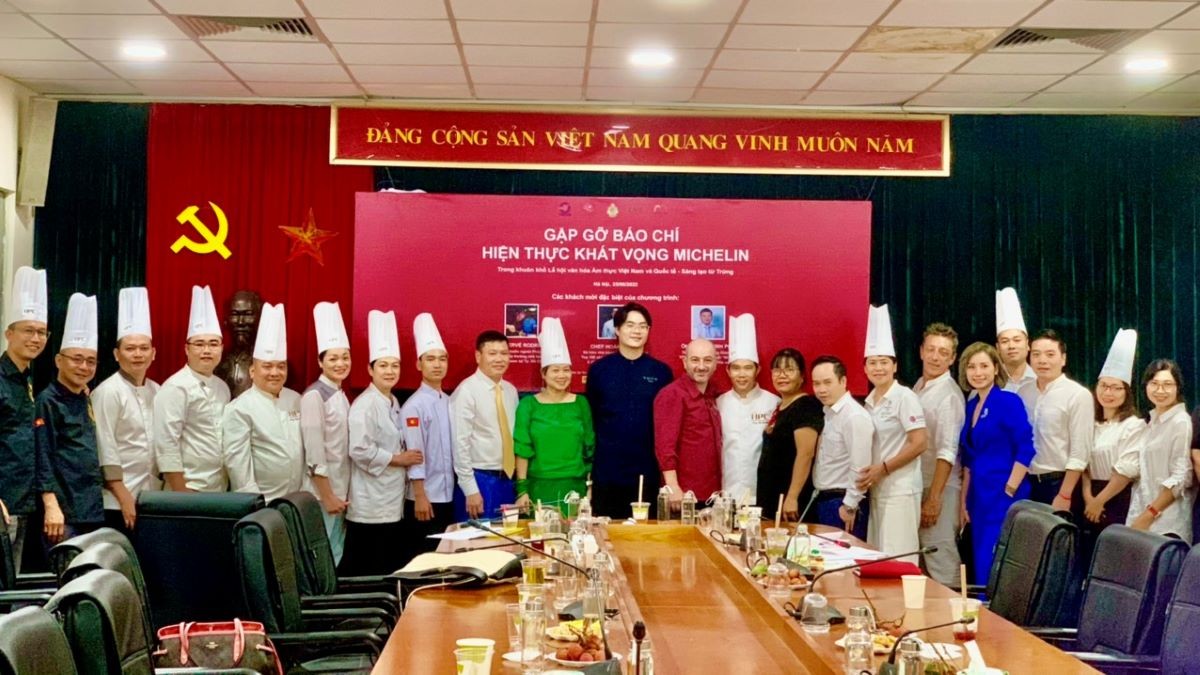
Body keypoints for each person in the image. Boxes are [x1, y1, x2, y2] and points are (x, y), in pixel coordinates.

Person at [342, 310, 422, 575]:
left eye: (395, 365)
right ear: (370, 369)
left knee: (389, 564)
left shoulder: (393, 400)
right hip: (369, 505)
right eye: (383, 365)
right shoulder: (364, 404)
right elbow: (359, 449)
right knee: (371, 567)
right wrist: (398, 459)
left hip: (391, 499)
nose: (390, 371)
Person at [958, 342, 1034, 586]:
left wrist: (1009, 488)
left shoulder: (1008, 401)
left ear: (995, 369)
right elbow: (968, 459)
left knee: (997, 559)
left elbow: (1026, 447)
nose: (977, 372)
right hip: (978, 497)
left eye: (984, 366)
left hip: (1003, 494)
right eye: (972, 367)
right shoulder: (970, 407)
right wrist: (963, 502)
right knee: (980, 559)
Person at [587, 303, 673, 519]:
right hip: (608, 471)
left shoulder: (661, 372)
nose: (637, 331)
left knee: (646, 539)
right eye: (630, 325)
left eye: (643, 326)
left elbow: (666, 425)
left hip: (648, 471)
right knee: (607, 535)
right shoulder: (599, 370)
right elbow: (593, 418)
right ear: (617, 329)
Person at [860, 305, 928, 561]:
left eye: (884, 363)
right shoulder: (868, 401)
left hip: (901, 489)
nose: (878, 368)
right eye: (872, 363)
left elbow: (919, 442)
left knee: (900, 560)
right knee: (877, 559)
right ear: (865, 368)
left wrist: (884, 468)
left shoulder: (904, 397)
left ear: (895, 366)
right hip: (878, 489)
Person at [35, 293, 103, 546]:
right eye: (77, 359)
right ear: (58, 361)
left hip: (90, 510)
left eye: (91, 361)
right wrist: (51, 505)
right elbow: (43, 456)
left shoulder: (85, 397)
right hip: (63, 515)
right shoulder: (47, 401)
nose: (84, 367)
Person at [92, 287, 159, 533]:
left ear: (153, 353)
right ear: (116, 354)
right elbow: (104, 445)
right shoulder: (108, 391)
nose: (138, 354)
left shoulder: (158, 391)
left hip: (149, 498)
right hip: (117, 503)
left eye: (144, 348)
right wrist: (124, 496)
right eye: (130, 348)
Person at [223, 303, 304, 502]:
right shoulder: (239, 408)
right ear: (252, 371)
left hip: (296, 501)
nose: (275, 373)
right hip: (263, 504)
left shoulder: (296, 399)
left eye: (281, 366)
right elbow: (238, 465)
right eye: (267, 366)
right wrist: (254, 504)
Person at [155, 286, 232, 492]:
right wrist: (181, 492)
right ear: (186, 349)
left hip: (219, 489)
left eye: (213, 344)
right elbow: (166, 443)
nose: (207, 350)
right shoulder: (175, 387)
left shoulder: (222, 387)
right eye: (199, 344)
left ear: (222, 348)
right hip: (188, 488)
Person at [514, 317, 594, 514]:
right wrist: (522, 489)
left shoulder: (581, 403)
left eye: (566, 370)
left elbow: (589, 447)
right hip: (539, 486)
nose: (562, 375)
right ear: (544, 373)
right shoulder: (528, 405)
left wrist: (589, 487)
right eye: (555, 370)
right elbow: (522, 448)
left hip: (575, 487)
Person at [0, 266, 51, 573]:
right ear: (9, 333)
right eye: (28, 331)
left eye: (41, 332)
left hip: (21, 504)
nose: (35, 338)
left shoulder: (27, 379)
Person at [399, 313, 456, 561]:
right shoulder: (414, 406)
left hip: (447, 495)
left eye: (442, 359)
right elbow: (415, 454)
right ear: (418, 364)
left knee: (444, 558)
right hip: (426, 498)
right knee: (425, 558)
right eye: (430, 359)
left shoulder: (449, 401)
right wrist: (420, 495)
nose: (437, 364)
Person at [1081, 330, 1144, 552]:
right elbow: (1083, 465)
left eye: (1116, 388)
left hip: (1116, 499)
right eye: (1104, 386)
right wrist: (1089, 497)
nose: (1109, 393)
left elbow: (1125, 472)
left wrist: (1099, 501)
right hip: (1089, 497)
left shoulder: (1134, 425)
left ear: (1126, 392)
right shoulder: (1090, 422)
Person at [300, 301, 352, 566]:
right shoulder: (313, 395)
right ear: (321, 361)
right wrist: (328, 495)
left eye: (345, 357)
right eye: (333, 358)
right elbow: (314, 450)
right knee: (321, 555)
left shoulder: (341, 394)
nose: (340, 363)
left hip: (341, 489)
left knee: (335, 552)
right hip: (323, 493)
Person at [913, 322, 965, 586]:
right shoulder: (919, 385)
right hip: (917, 484)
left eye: (943, 353)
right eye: (931, 349)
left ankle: (956, 622)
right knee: (920, 562)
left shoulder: (949, 396)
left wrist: (934, 498)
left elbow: (948, 450)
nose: (935, 357)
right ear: (921, 351)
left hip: (940, 488)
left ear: (953, 358)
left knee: (940, 558)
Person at [451, 330, 518, 520]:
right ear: (478, 356)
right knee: (476, 544)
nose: (499, 359)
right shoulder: (466, 391)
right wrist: (470, 489)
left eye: (504, 353)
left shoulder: (510, 391)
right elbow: (460, 443)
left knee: (507, 542)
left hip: (507, 481)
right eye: (492, 353)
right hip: (480, 480)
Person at [1125, 359, 1193, 542]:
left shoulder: (1180, 421)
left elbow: (1181, 477)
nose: (1160, 390)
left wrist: (1150, 513)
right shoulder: (1152, 421)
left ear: (1178, 387)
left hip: (1167, 521)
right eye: (1154, 384)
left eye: (1167, 384)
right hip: (1142, 513)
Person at [1026, 329, 1093, 510]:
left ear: (1063, 359)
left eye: (1050, 354)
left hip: (1060, 483)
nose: (1042, 360)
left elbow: (1080, 453)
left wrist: (1064, 493)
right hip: (1027, 483)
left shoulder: (1078, 395)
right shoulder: (1023, 393)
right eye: (1036, 354)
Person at [718, 315, 780, 506]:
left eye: (747, 368)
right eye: (736, 368)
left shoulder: (774, 403)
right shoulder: (719, 403)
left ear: (757, 369)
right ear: (728, 371)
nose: (741, 374)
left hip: (762, 495)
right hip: (726, 495)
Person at [655, 339, 723, 510]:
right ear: (684, 362)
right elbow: (665, 447)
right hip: (684, 497)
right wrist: (673, 487)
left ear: (716, 363)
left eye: (707, 360)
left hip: (711, 494)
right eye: (695, 360)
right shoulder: (672, 394)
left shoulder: (713, 394)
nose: (701, 366)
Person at [809, 355, 873, 540]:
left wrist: (850, 505)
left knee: (845, 564)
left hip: (842, 502)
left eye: (827, 382)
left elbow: (860, 465)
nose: (821, 389)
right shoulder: (829, 412)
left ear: (843, 381)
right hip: (825, 499)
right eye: (816, 384)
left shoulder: (854, 416)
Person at [755, 347, 820, 522]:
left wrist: (792, 497)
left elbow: (805, 454)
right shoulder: (781, 406)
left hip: (789, 501)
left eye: (789, 370)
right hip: (772, 498)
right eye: (777, 370)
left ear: (802, 376)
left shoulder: (805, 406)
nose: (782, 375)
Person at [214, 290, 263, 398]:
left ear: (260, 319)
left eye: (248, 314)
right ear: (225, 320)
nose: (241, 322)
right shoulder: (215, 361)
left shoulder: (274, 365)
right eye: (235, 314)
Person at [995, 288, 1036, 409]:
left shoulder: (1041, 380)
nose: (1011, 346)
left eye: (1017, 340)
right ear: (997, 347)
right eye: (1005, 341)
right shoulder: (988, 382)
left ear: (1028, 344)